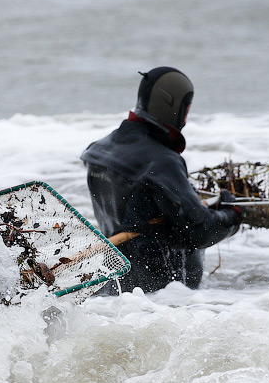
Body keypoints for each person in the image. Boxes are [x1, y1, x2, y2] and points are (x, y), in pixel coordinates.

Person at [80, 67, 242, 293]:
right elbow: (199, 230)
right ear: (174, 106)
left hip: (115, 288)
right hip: (164, 296)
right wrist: (233, 215)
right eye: (186, 110)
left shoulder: (98, 151)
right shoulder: (162, 161)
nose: (186, 118)